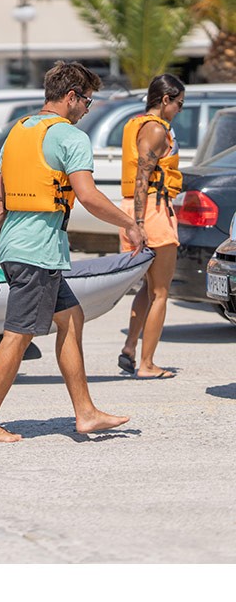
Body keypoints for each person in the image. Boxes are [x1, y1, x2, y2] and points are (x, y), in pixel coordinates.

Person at [0, 61, 145, 443]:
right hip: (38, 252)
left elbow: (0, 198)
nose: (87, 109)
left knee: (71, 318)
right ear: (71, 97)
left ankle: (86, 412)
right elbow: (88, 196)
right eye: (87, 101)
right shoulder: (69, 136)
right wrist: (129, 224)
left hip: (17, 247)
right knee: (17, 336)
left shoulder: (18, 132)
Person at [116, 74, 186, 379]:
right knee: (160, 292)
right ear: (165, 99)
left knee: (148, 287)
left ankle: (130, 349)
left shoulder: (137, 123)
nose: (179, 111)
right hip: (152, 212)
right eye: (179, 104)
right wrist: (140, 223)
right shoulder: (156, 129)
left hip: (138, 210)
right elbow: (143, 176)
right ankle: (147, 364)